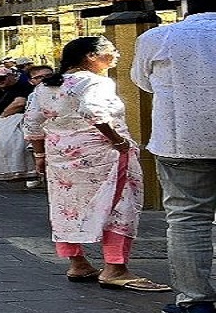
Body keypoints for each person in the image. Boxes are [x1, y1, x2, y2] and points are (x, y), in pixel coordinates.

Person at [25, 37, 167, 293]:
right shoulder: (95, 82)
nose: (117, 56)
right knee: (119, 205)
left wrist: (40, 156)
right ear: (91, 56)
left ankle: (77, 263)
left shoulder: (45, 86)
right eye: (112, 51)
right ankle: (115, 268)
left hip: (61, 157)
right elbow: (94, 113)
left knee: (66, 207)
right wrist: (119, 141)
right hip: (103, 155)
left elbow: (33, 124)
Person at [132, 0, 216, 313]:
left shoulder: (158, 37)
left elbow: (142, 81)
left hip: (183, 141)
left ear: (187, 8)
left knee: (188, 218)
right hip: (182, 142)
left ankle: (196, 303)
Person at [0, 65, 37, 184]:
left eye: (1, 78)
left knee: (8, 140)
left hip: (15, 120)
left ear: (11, 76)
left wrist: (0, 118)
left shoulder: (23, 87)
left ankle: (23, 171)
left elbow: (19, 104)